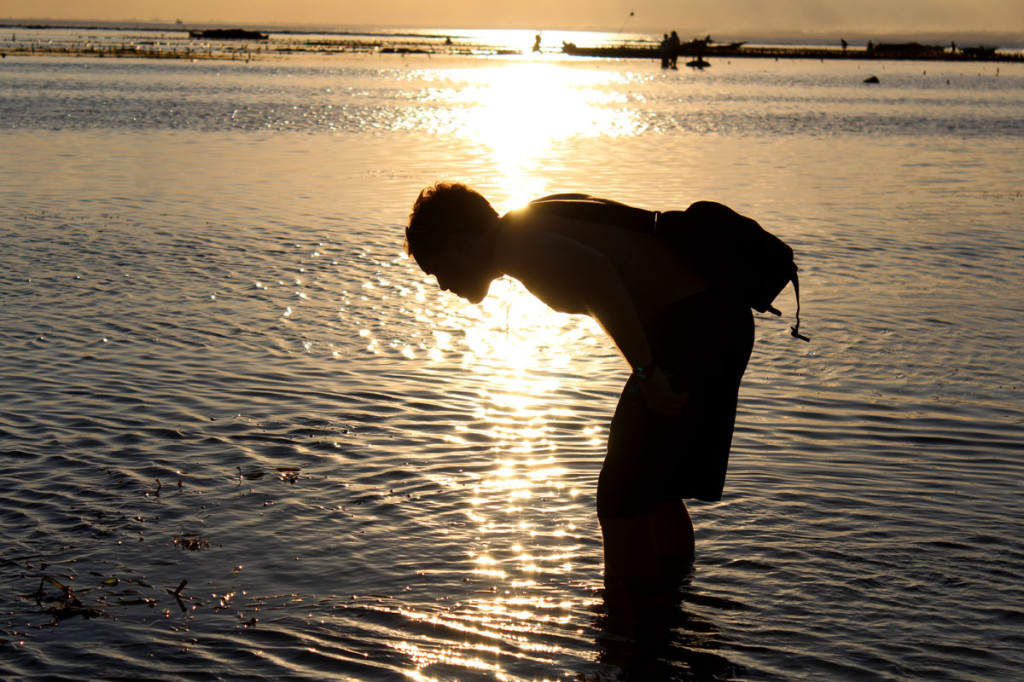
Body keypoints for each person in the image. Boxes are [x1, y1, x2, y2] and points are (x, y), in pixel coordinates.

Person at [404, 182, 754, 616]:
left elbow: (598, 274)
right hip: (714, 323)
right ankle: (672, 607)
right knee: (656, 487)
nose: (441, 285)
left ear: (457, 246)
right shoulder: (528, 221)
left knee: (622, 496)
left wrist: (646, 372)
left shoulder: (514, 244)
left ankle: (636, 628)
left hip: (696, 329)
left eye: (435, 270)